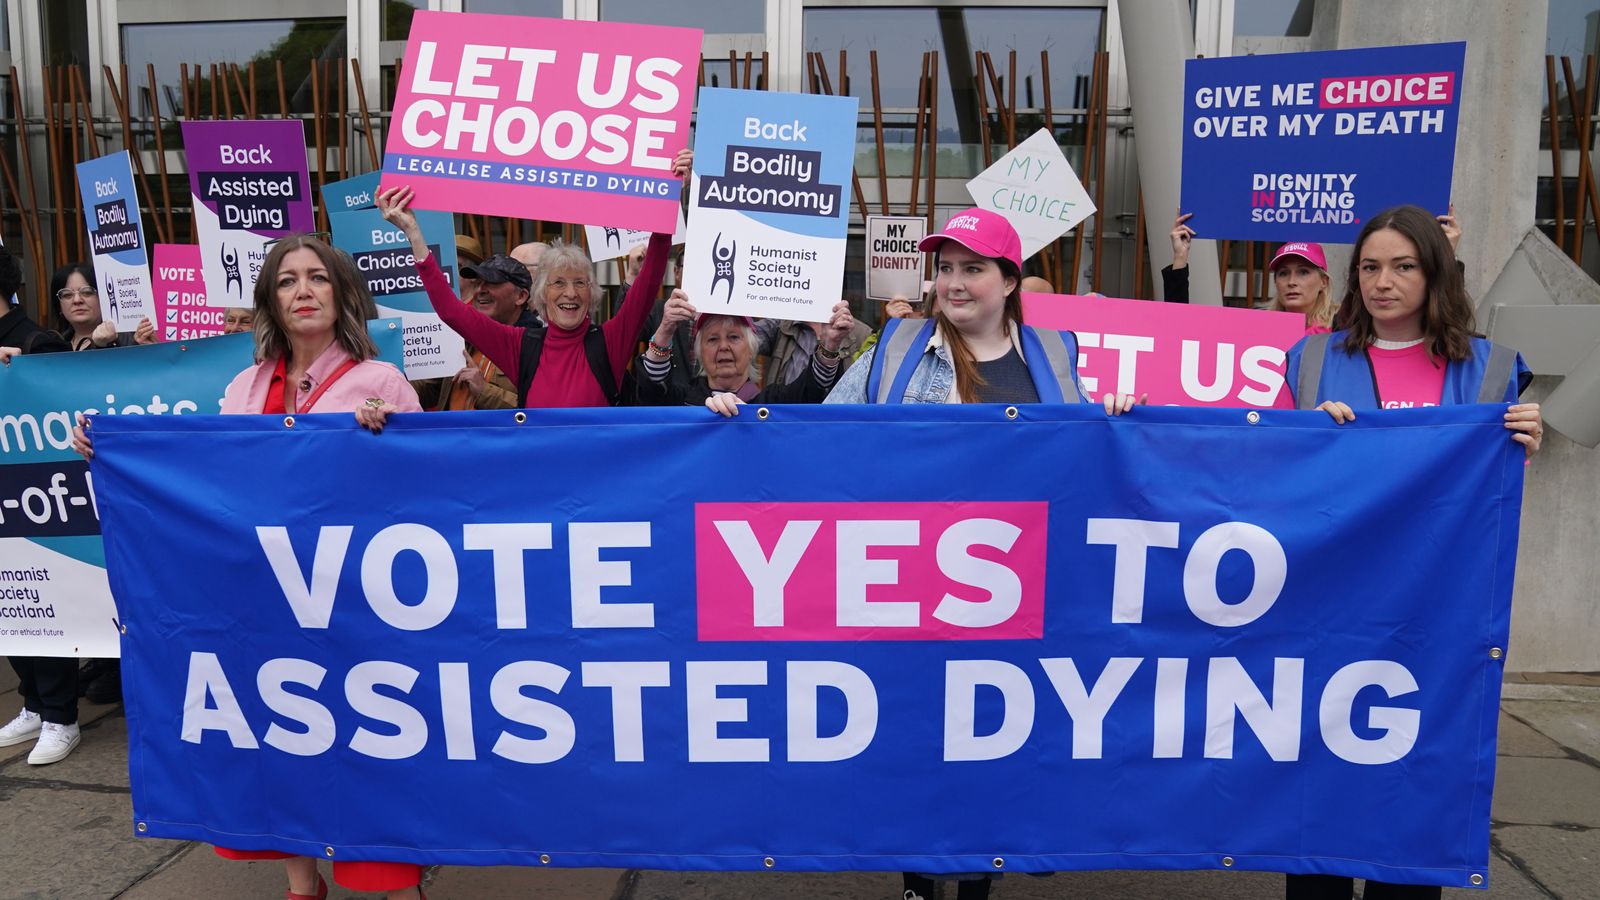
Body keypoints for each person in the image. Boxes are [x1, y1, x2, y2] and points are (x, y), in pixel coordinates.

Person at [72, 234, 424, 900]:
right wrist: (109, 446)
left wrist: (396, 440)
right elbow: (202, 476)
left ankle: (393, 886)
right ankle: (302, 887)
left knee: (366, 758)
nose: (304, 290)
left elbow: (424, 497)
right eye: (287, 280)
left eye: (318, 277)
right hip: (263, 603)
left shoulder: (382, 382)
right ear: (270, 300)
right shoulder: (243, 385)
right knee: (284, 747)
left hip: (354, 609)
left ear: (342, 293)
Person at [1280, 205, 1540, 900]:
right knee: (1319, 807)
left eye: (1403, 267)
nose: (1382, 282)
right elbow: (1271, 480)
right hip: (1329, 613)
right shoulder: (1308, 360)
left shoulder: (1493, 369)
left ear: (1436, 273)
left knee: (1413, 796)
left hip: (1433, 620)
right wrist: (1302, 441)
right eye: (1369, 267)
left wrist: (1521, 444)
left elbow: (1484, 491)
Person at [376, 149, 689, 409]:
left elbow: (648, 282)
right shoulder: (520, 346)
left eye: (580, 283)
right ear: (540, 295)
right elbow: (451, 312)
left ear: (591, 295)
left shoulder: (609, 342)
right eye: (558, 283)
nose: (570, 293)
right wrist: (414, 234)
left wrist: (669, 194)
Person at [0, 248, 82, 767]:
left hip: (35, 496)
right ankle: (32, 701)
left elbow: (60, 404)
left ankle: (60, 714)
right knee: (11, 605)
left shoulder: (36, 341)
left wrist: (23, 369)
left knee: (42, 601)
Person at [637, 289, 856, 414]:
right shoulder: (681, 401)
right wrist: (665, 330)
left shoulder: (775, 401)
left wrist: (829, 346)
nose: (724, 346)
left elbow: (814, 389)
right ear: (700, 353)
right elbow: (652, 389)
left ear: (752, 349)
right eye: (712, 339)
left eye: (733, 337)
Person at [435, 255, 537, 411]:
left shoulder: (537, 347)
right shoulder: (460, 337)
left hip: (501, 436)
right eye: (478, 283)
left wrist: (484, 391)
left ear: (521, 296)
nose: (480, 290)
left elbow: (540, 410)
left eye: (492, 283)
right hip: (452, 435)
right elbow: (429, 388)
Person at [756, 306, 870, 388]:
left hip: (832, 419)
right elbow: (746, 339)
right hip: (783, 418)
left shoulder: (862, 334)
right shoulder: (781, 325)